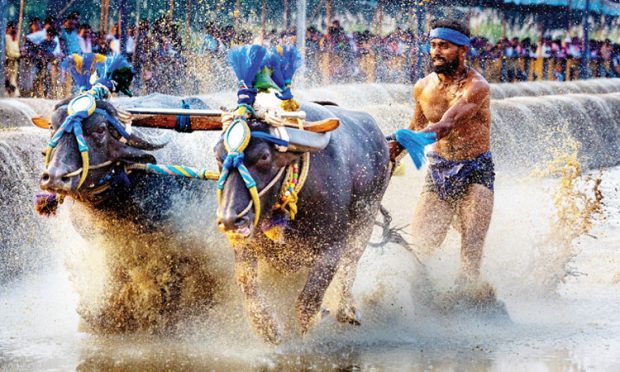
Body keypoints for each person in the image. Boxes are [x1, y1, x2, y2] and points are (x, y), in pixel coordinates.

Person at [388, 18, 495, 298]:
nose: (436, 51)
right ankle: (420, 302)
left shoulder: (477, 87)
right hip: (439, 170)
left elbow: (447, 124)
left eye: (444, 46)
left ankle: (470, 304)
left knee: (471, 249)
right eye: (433, 45)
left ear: (463, 50)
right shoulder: (423, 87)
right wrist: (392, 155)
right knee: (420, 248)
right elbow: (414, 127)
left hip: (476, 171)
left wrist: (413, 139)